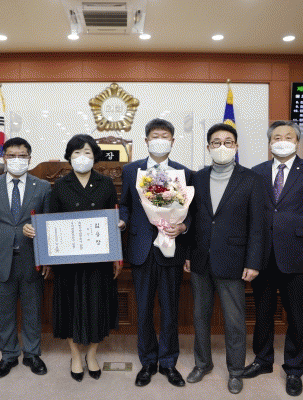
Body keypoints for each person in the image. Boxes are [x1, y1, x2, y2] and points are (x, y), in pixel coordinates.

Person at [25, 134, 121, 382]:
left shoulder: (106, 183)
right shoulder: (60, 186)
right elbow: (50, 223)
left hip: (98, 259)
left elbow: (113, 219)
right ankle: (75, 355)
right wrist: (44, 250)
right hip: (68, 261)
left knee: (98, 306)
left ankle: (92, 354)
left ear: (95, 156)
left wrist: (116, 255)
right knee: (70, 306)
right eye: (77, 153)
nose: (82, 157)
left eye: (87, 152)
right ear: (69, 157)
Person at [243, 121, 303, 397]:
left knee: (297, 315)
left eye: (288, 137)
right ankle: (263, 360)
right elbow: (252, 216)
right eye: (276, 137)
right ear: (269, 143)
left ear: (297, 141)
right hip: (264, 255)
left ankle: (294, 368)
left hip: (299, 255)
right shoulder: (257, 172)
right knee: (263, 312)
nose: (282, 141)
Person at [184, 123, 265, 394]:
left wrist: (253, 261)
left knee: (234, 321)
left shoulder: (251, 179)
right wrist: (188, 254)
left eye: (228, 142)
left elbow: (257, 225)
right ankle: (202, 364)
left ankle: (235, 371)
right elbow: (191, 218)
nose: (222, 146)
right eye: (216, 142)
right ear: (208, 147)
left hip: (234, 259)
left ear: (236, 146)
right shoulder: (197, 178)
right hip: (200, 259)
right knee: (200, 317)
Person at [119, 118, 192, 388]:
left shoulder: (184, 172)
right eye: (155, 136)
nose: (159, 140)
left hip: (171, 248)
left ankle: (169, 362)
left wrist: (183, 226)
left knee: (171, 309)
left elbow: (192, 212)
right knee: (144, 309)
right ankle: (148, 361)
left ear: (172, 141)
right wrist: (122, 220)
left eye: (164, 136)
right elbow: (125, 204)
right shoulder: (131, 170)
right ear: (146, 140)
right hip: (141, 249)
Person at [0, 137, 51, 379]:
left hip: (32, 259)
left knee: (32, 310)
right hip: (0, 259)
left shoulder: (43, 187)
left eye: (22, 156)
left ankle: (32, 354)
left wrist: (46, 257)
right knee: (5, 312)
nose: (17, 160)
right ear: (3, 158)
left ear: (30, 158)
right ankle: (8, 355)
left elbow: (48, 224)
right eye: (11, 155)